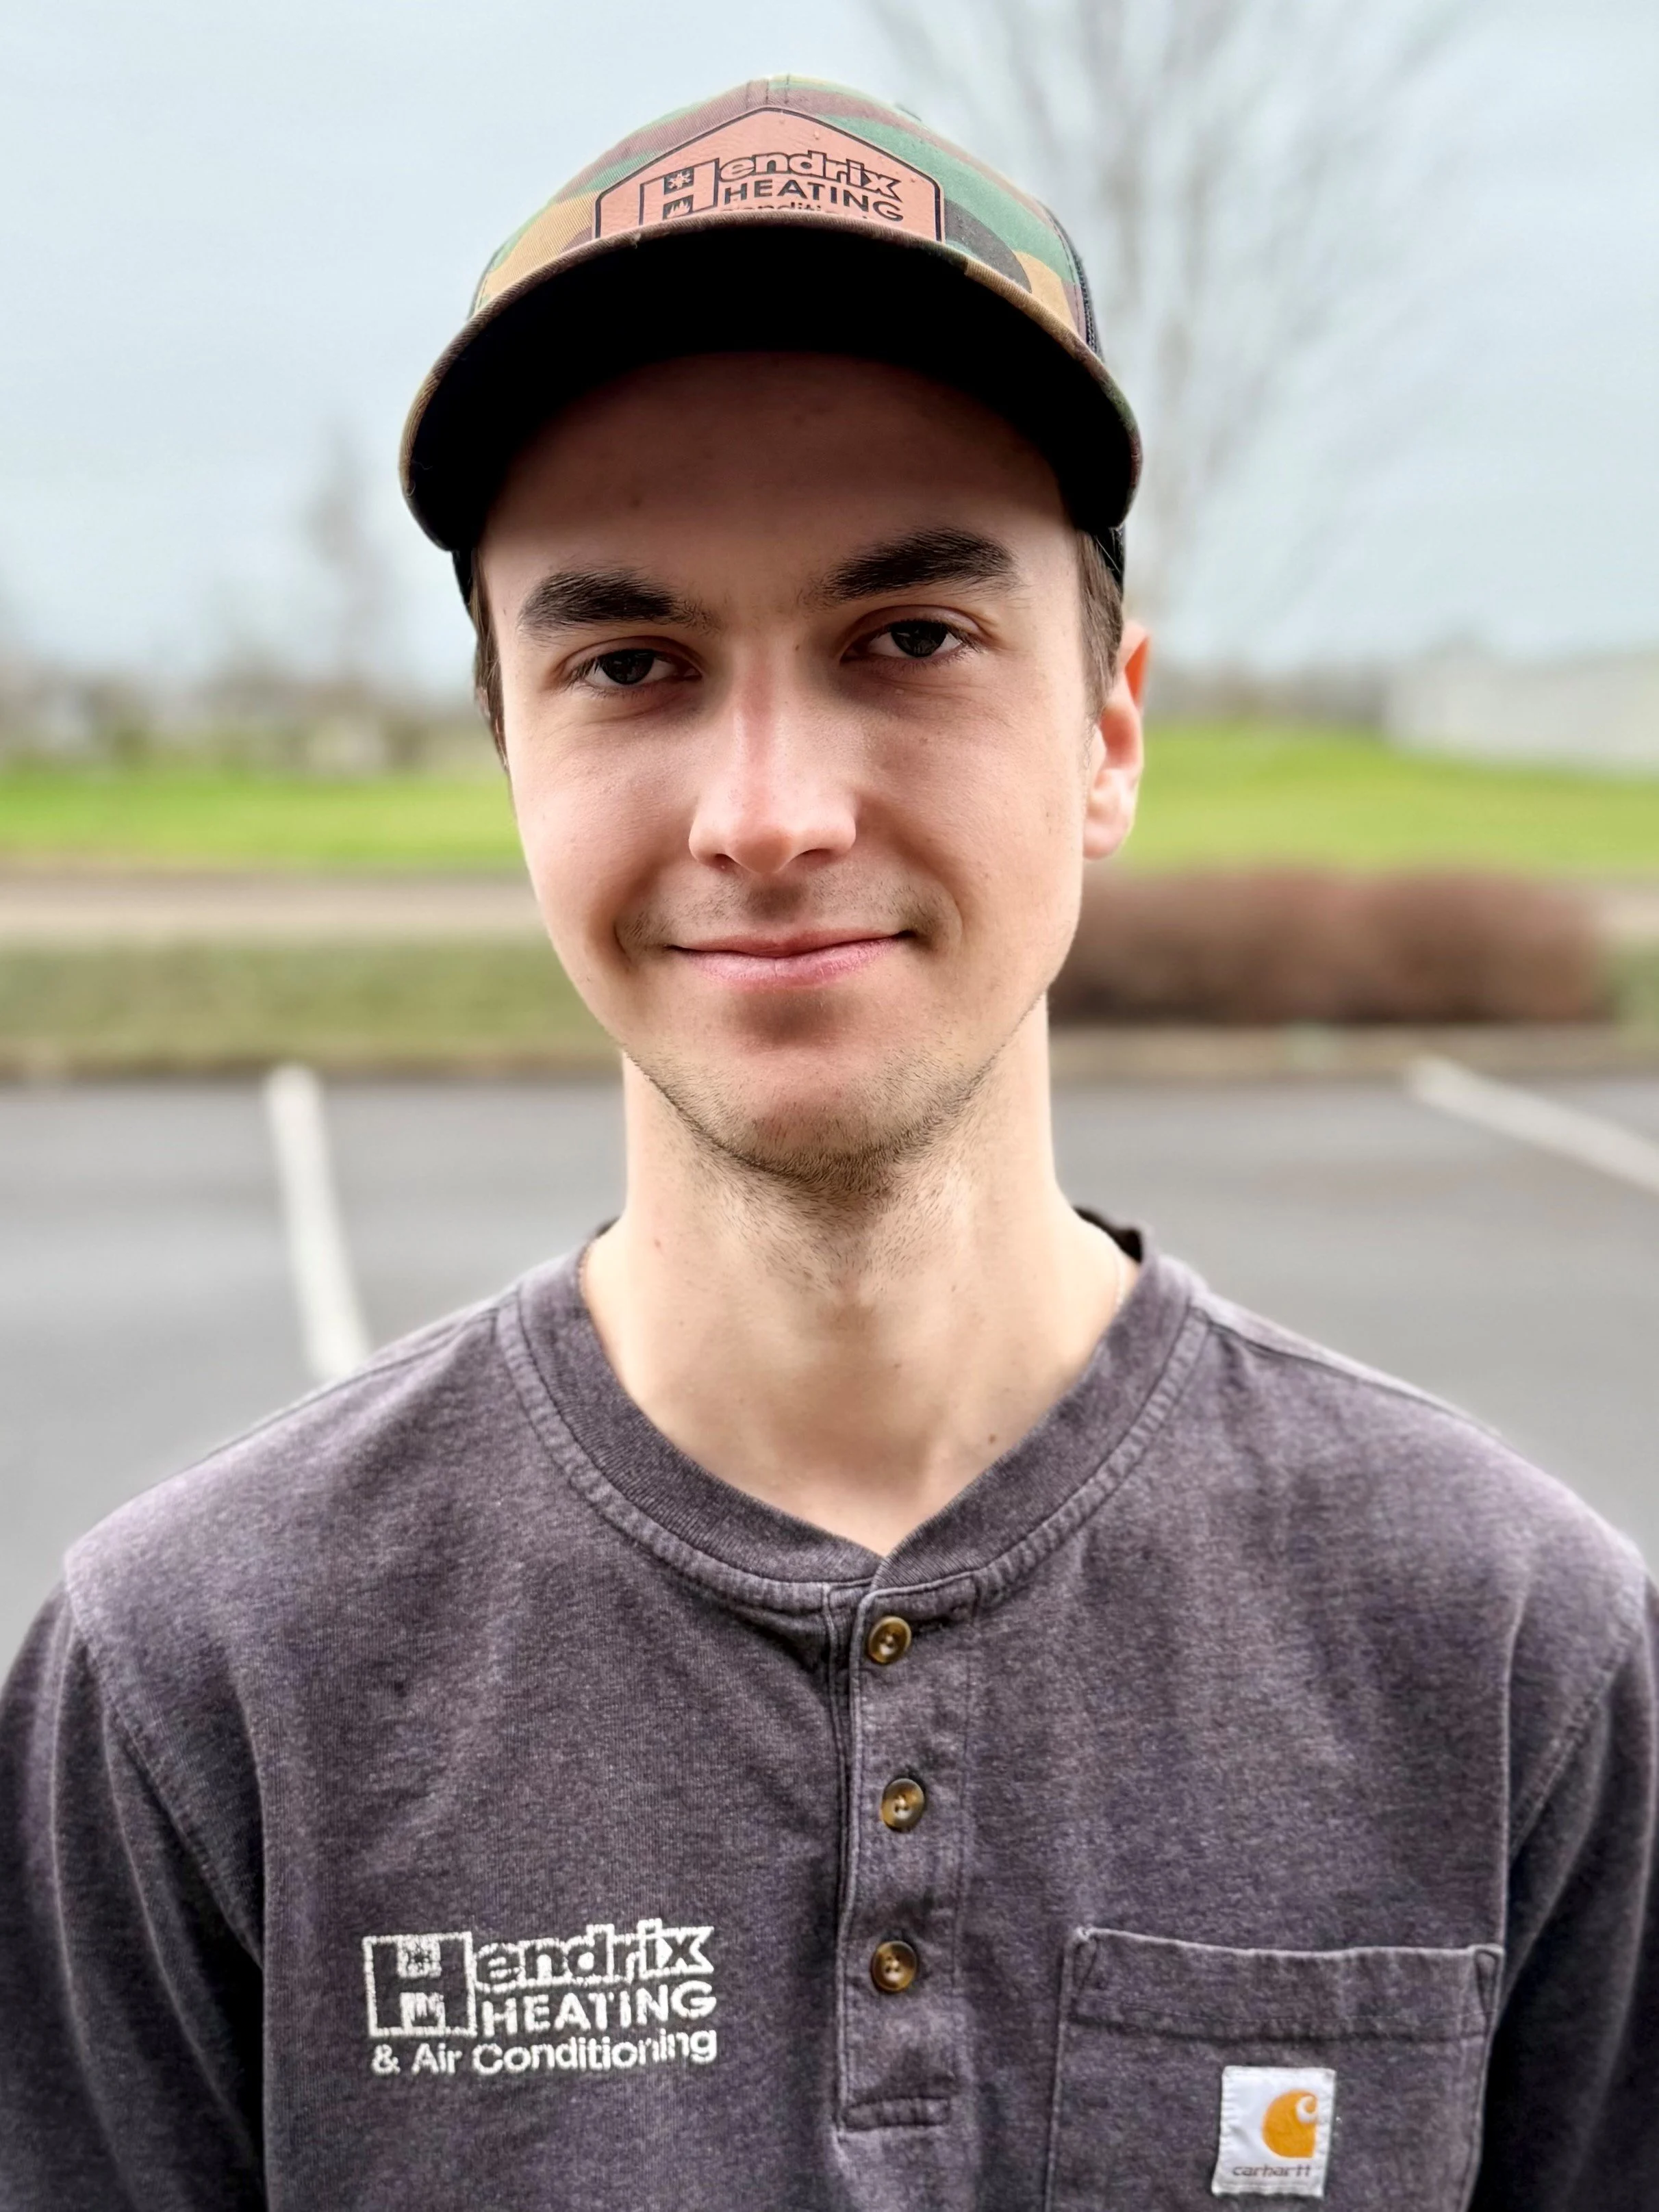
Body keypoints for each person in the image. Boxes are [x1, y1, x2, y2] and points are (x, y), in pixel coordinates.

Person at [0, 75, 1653, 2212]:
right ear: (510, 748)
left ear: (1107, 727)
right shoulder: (195, 1681)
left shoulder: (1508, 1645)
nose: (766, 810)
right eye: (630, 659)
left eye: (910, 637)